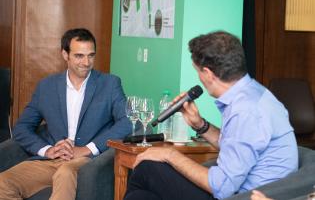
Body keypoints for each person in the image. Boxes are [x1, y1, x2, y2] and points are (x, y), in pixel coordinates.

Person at [123, 31, 298, 200]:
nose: (198, 77)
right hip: (239, 190)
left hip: (244, 196)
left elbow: (222, 187)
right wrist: (199, 125)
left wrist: (170, 154)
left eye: (198, 71)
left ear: (208, 74)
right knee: (143, 195)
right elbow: (235, 146)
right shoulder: (253, 94)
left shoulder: (246, 111)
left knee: (146, 169)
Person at [0, 28, 131, 200]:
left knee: (65, 172)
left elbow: (126, 122)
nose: (86, 62)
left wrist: (86, 149)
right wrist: (47, 151)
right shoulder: (46, 86)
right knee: (3, 183)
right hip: (51, 160)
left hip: (84, 161)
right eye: (79, 56)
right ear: (65, 55)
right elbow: (22, 127)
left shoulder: (109, 84)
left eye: (91, 55)